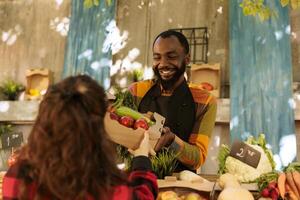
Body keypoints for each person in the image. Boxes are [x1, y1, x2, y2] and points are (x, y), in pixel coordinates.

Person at [2, 75, 158, 200]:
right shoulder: (102, 185)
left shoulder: (19, 174)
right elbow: (142, 196)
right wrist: (141, 160)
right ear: (97, 128)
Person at [129, 30, 217, 171]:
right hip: (140, 177)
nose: (163, 64)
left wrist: (172, 141)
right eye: (157, 57)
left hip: (179, 186)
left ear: (187, 59)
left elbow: (198, 158)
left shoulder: (205, 100)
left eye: (171, 57)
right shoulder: (136, 91)